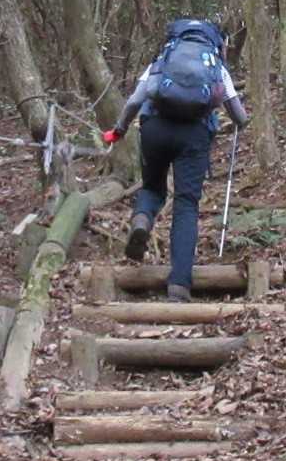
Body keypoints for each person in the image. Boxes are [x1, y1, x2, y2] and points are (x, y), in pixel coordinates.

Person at [101, 18, 250, 301]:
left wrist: (118, 130)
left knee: (152, 187)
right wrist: (242, 122)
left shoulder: (164, 59)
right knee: (186, 205)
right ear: (216, 42)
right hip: (194, 136)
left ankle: (142, 221)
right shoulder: (215, 66)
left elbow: (135, 101)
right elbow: (238, 115)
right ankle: (179, 286)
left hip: (155, 128)